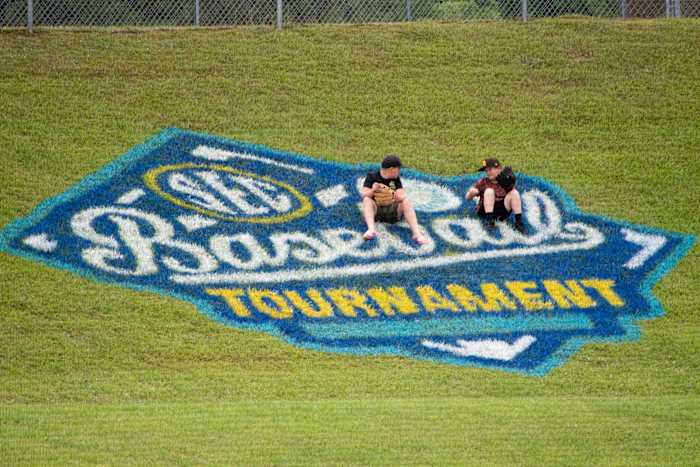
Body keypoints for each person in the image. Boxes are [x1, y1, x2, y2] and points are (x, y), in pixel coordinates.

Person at [360, 155, 428, 245]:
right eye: (398, 169)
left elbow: (402, 195)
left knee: (406, 201)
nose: (399, 171)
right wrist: (373, 190)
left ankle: (417, 234)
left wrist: (393, 195)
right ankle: (371, 229)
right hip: (376, 210)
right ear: (392, 169)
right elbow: (364, 194)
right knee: (366, 200)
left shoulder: (396, 179)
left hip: (392, 211)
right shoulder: (372, 177)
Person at [465, 158, 526, 233]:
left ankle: (519, 223)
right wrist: (471, 193)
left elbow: (512, 196)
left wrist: (509, 183)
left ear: (499, 169)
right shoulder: (483, 181)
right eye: (486, 171)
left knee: (514, 193)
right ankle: (489, 221)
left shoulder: (505, 180)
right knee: (489, 191)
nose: (488, 172)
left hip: (501, 211)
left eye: (490, 170)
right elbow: (467, 197)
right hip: (485, 211)